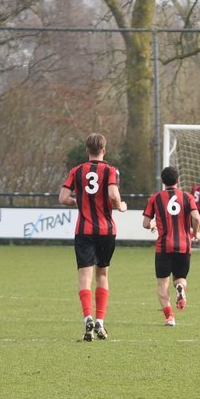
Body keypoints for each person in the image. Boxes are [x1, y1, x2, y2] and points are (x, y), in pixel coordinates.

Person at [59, 133, 127, 341]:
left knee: (84, 278)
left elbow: (63, 198)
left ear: (87, 150)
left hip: (84, 231)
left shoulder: (76, 170)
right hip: (106, 231)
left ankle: (87, 317)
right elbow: (113, 195)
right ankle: (100, 321)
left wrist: (79, 201)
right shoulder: (110, 170)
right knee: (102, 275)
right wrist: (120, 206)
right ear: (104, 150)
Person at [143, 166, 200, 327]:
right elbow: (196, 217)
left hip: (164, 247)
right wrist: (195, 233)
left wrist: (152, 224)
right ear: (178, 180)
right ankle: (180, 287)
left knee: (163, 283)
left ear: (163, 181)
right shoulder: (187, 197)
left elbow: (145, 223)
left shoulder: (155, 198)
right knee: (180, 278)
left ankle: (169, 317)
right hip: (184, 246)